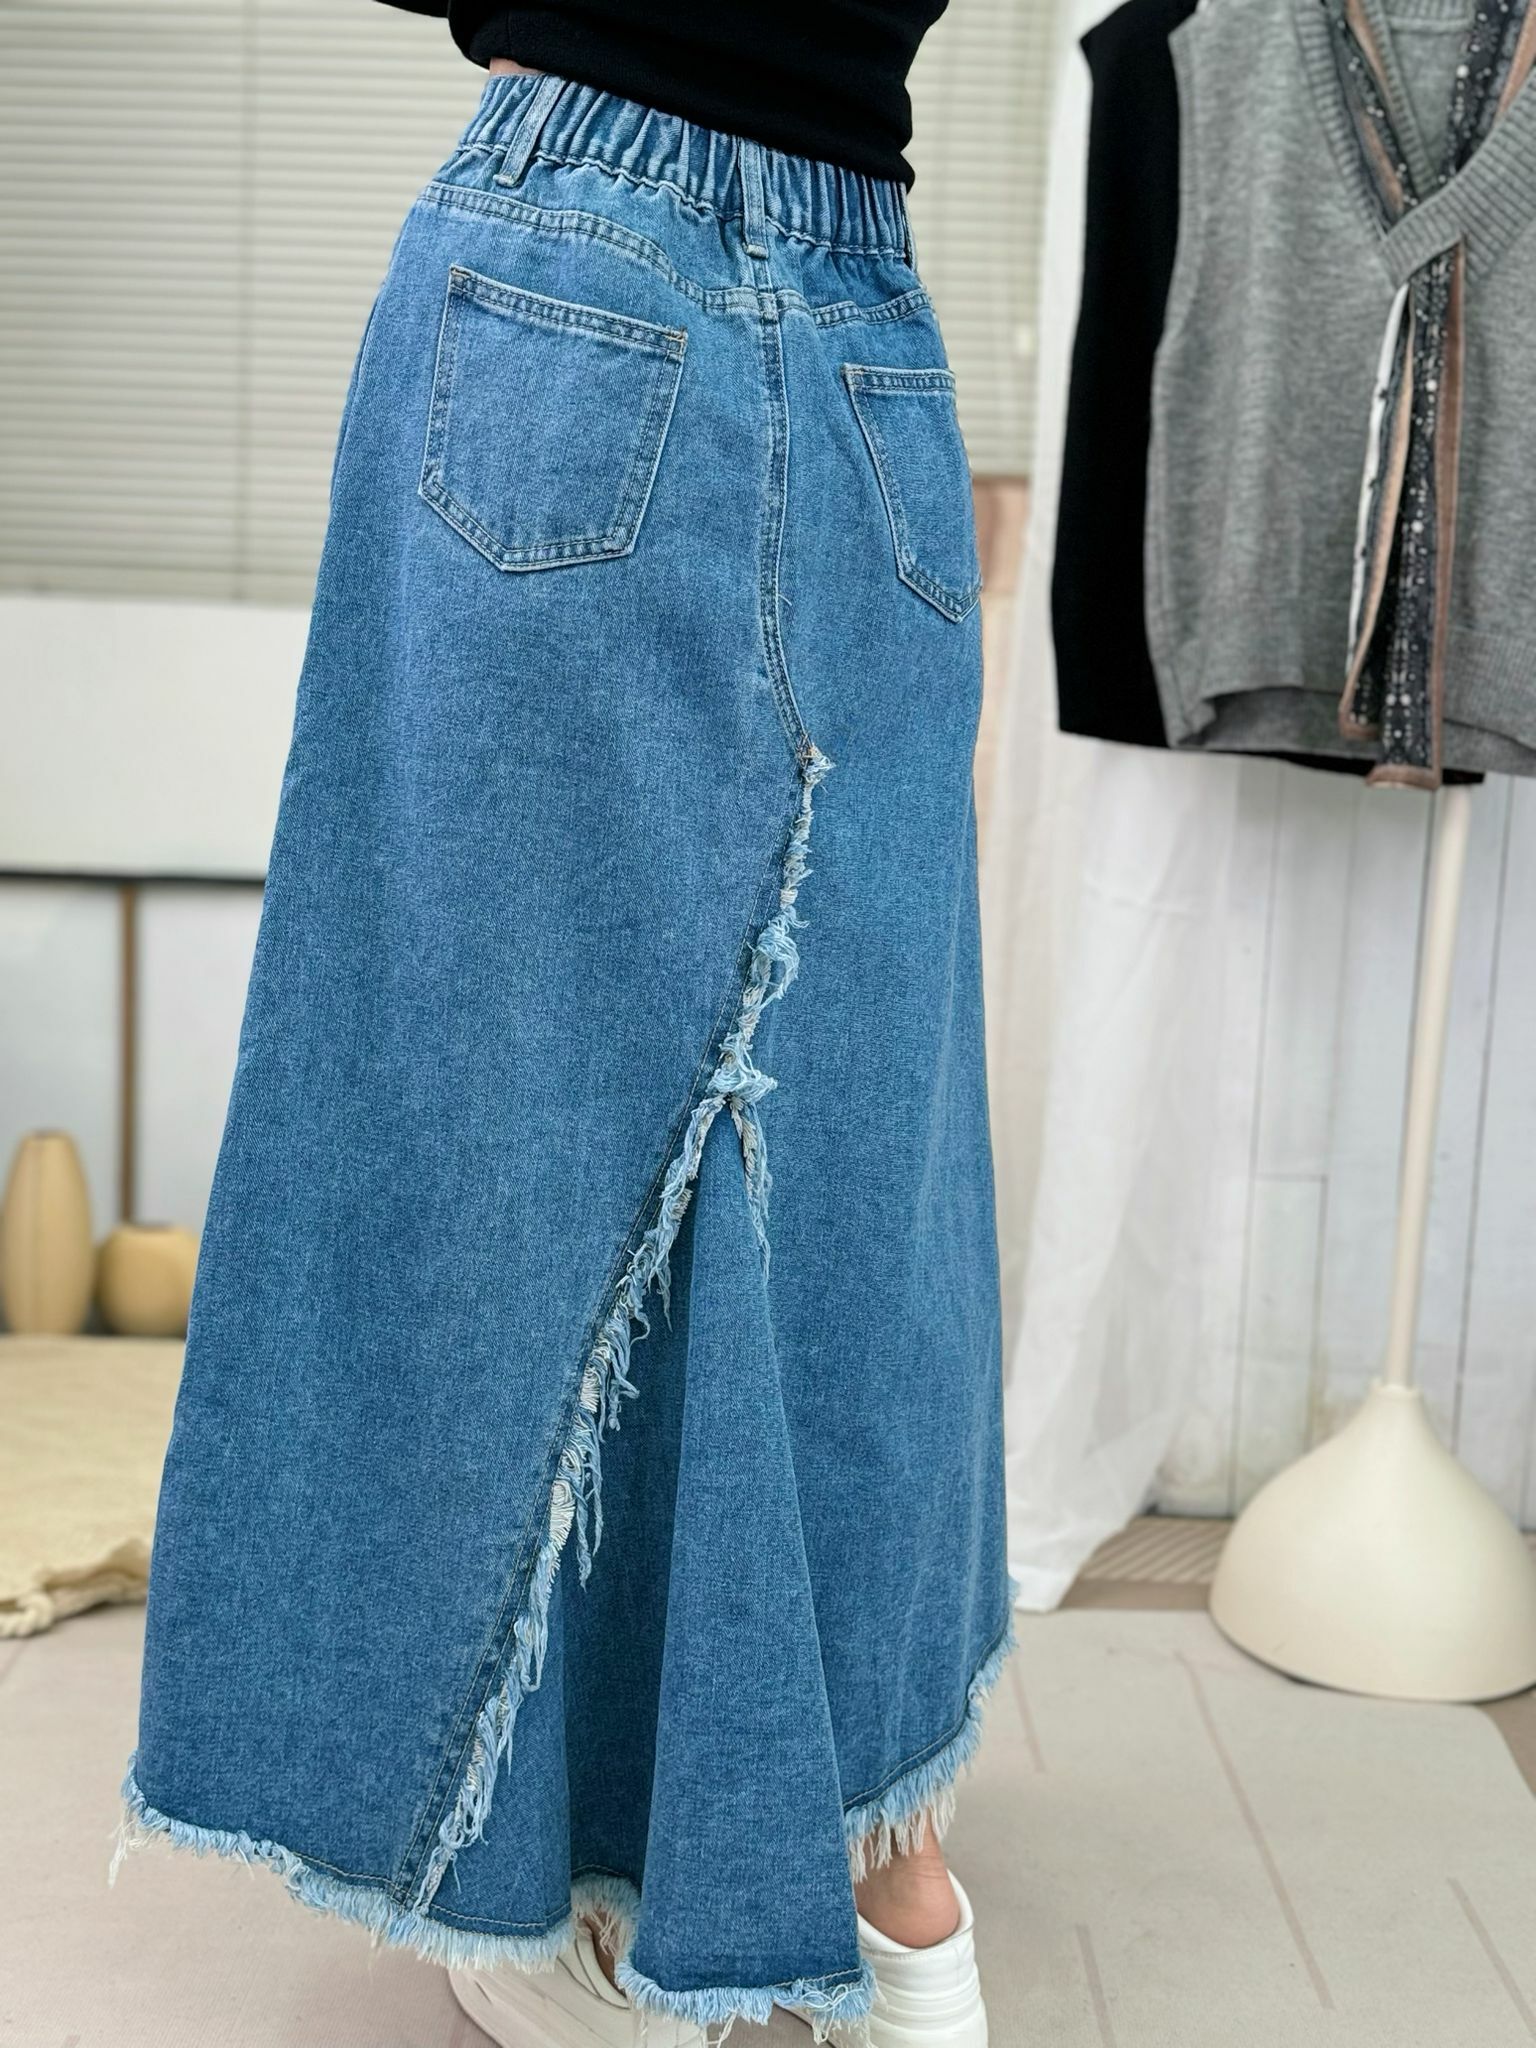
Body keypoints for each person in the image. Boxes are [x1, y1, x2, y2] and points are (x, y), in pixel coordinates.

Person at [117, 4, 1012, 2043]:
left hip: (569, 257)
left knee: (485, 1108)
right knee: (862, 1137)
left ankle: (549, 1865)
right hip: (863, 315)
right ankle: (885, 1877)